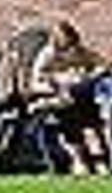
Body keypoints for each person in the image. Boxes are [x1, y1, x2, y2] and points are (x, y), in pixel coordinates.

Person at [29, 19, 107, 173]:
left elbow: (103, 65)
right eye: (64, 43)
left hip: (79, 98)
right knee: (73, 116)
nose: (68, 49)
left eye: (69, 42)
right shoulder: (47, 55)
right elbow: (34, 84)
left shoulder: (80, 52)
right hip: (56, 98)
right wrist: (56, 84)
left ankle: (96, 160)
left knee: (86, 118)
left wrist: (89, 76)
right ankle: (82, 160)